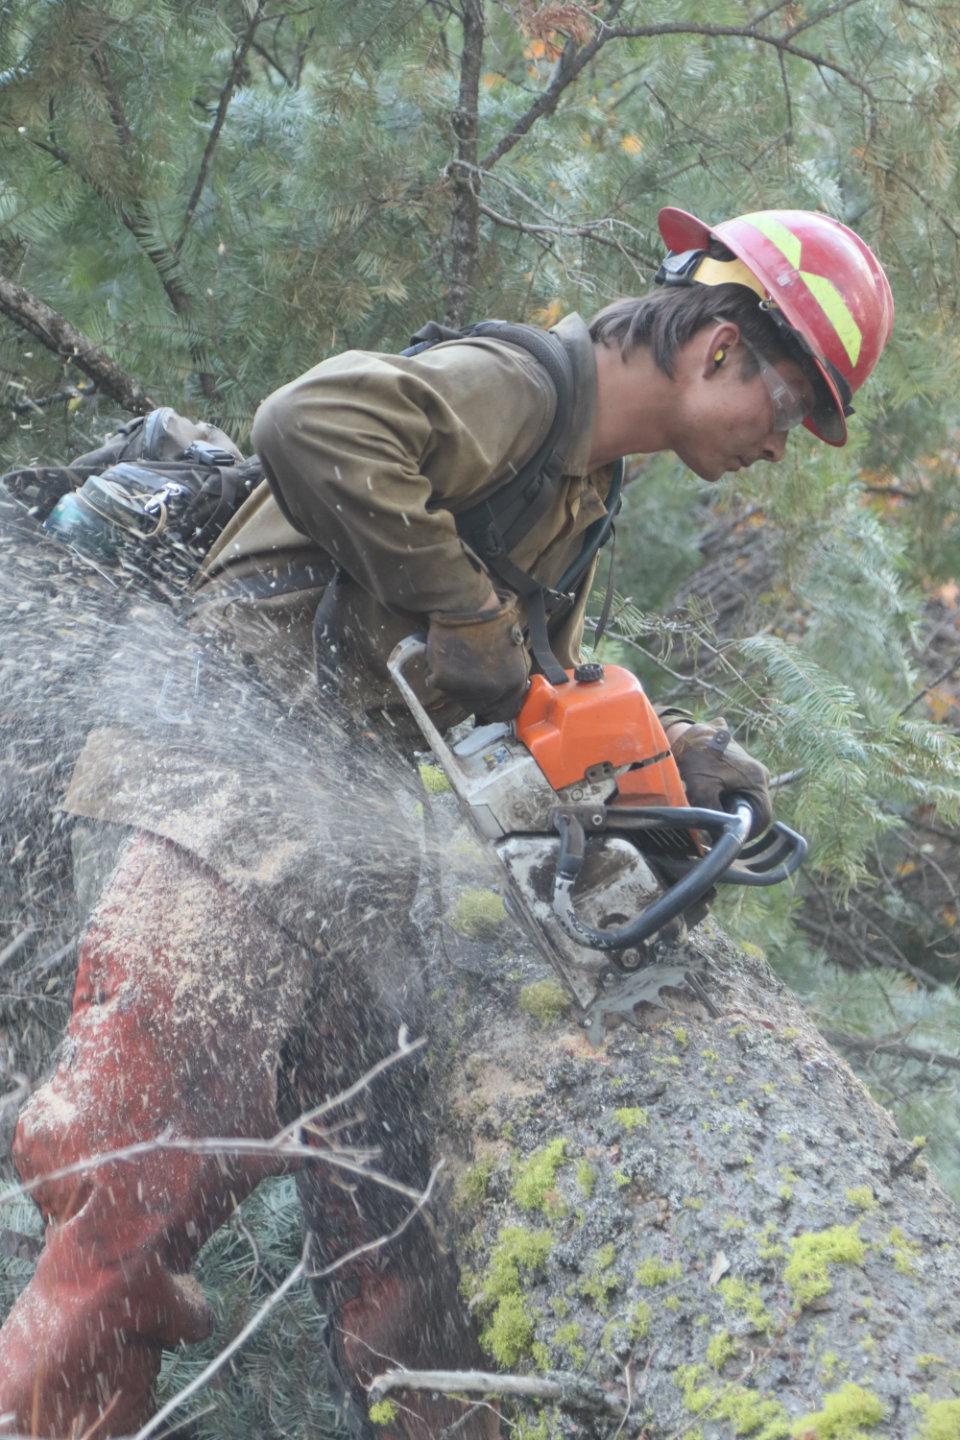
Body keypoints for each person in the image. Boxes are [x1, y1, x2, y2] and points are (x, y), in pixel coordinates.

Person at [0, 206, 893, 1439]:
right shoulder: (519, 386)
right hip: (215, 788)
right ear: (722, 351)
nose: (784, 445)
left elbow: (536, 685)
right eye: (793, 408)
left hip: (321, 858)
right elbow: (309, 421)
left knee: (397, 1261)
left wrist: (668, 759)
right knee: (124, 1217)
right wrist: (463, 605)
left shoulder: (581, 491)